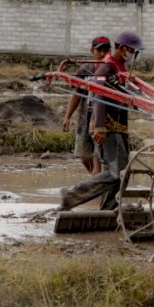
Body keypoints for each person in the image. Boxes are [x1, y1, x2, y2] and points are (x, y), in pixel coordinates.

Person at [60, 31, 144, 211]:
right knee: (113, 172)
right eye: (132, 51)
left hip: (120, 126)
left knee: (120, 171)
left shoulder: (121, 67)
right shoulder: (106, 67)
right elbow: (98, 96)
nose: (134, 55)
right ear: (122, 49)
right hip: (107, 127)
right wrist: (99, 126)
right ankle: (72, 196)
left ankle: (109, 204)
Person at [61, 36, 111, 175]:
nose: (103, 54)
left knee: (97, 159)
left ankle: (96, 188)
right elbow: (77, 93)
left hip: (101, 120)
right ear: (92, 51)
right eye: (99, 50)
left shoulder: (110, 70)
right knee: (84, 157)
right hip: (85, 118)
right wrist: (67, 117)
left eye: (106, 50)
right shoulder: (85, 69)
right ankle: (96, 184)